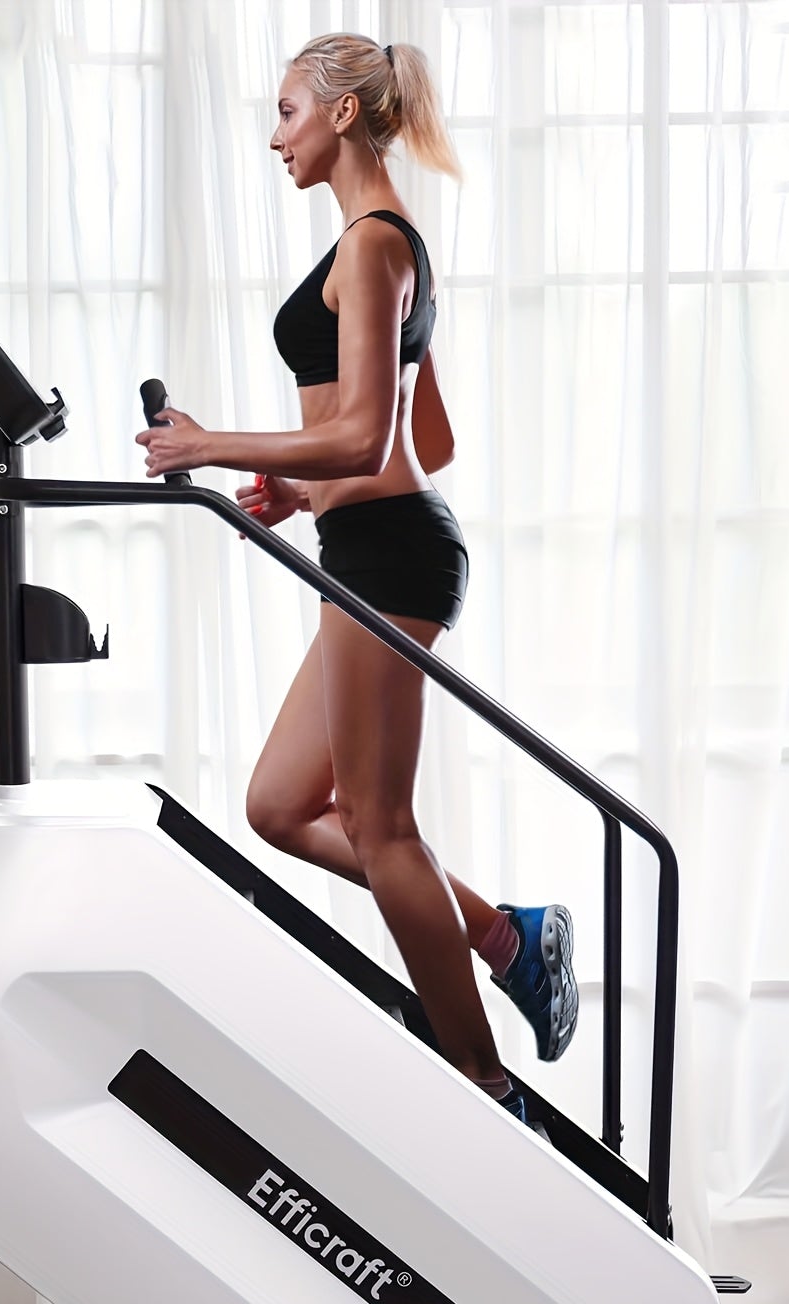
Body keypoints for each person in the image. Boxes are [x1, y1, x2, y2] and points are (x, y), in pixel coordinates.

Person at [136, 33, 577, 1127]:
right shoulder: (376, 248)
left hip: (392, 557)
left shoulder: (374, 247)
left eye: (285, 110)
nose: (272, 133)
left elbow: (372, 436)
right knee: (279, 805)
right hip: (369, 543)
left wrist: (216, 448)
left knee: (380, 826)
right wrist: (301, 492)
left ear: (339, 114)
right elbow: (426, 433)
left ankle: (485, 1088)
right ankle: (508, 938)